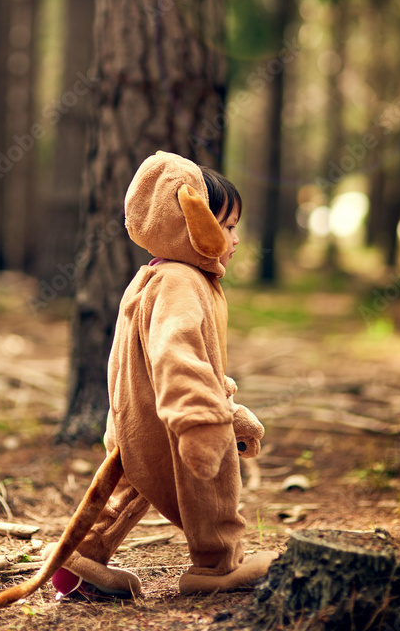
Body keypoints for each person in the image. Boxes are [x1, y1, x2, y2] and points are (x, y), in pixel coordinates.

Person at [49, 151, 278, 600]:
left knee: (127, 486)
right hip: (178, 418)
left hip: (141, 415)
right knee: (212, 490)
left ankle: (80, 561)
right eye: (227, 226)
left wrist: (230, 411)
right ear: (195, 223)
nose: (235, 238)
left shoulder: (155, 276)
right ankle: (217, 566)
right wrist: (201, 421)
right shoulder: (179, 282)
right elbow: (178, 355)